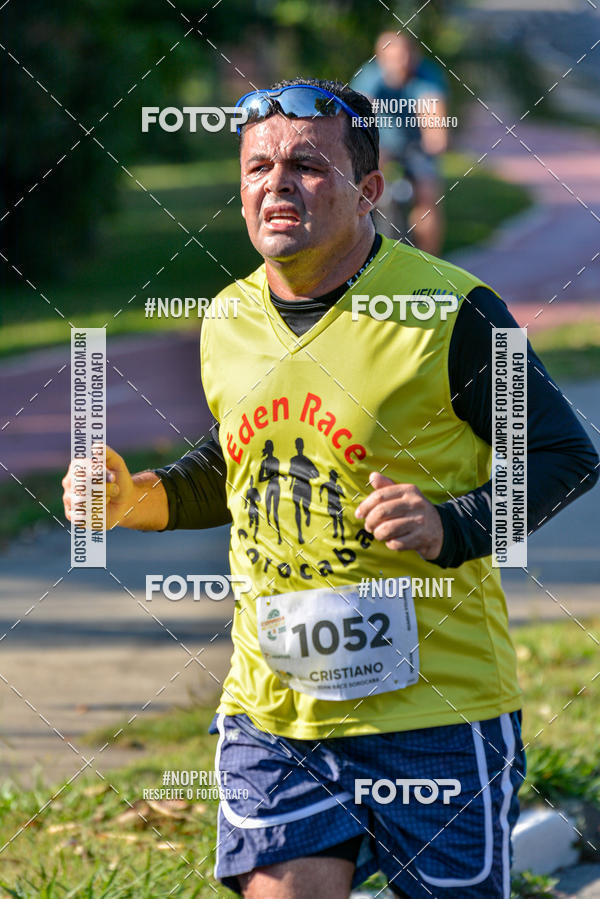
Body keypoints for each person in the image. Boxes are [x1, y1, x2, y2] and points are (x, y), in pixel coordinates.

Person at [62, 79, 599, 898]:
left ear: (369, 190)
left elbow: (565, 453)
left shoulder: (454, 312)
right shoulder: (228, 318)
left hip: (434, 714)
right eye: (258, 166)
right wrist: (134, 499)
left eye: (307, 165)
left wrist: (453, 523)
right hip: (274, 711)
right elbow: (240, 463)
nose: (276, 183)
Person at [352, 32, 449, 253]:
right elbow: (360, 114)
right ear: (380, 58)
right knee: (361, 188)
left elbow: (433, 114)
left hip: (417, 146)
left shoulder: (427, 76)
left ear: (414, 54)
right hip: (382, 144)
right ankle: (358, 251)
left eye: (405, 55)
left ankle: (429, 262)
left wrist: (436, 137)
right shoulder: (369, 77)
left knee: (427, 196)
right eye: (393, 57)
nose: (401, 63)